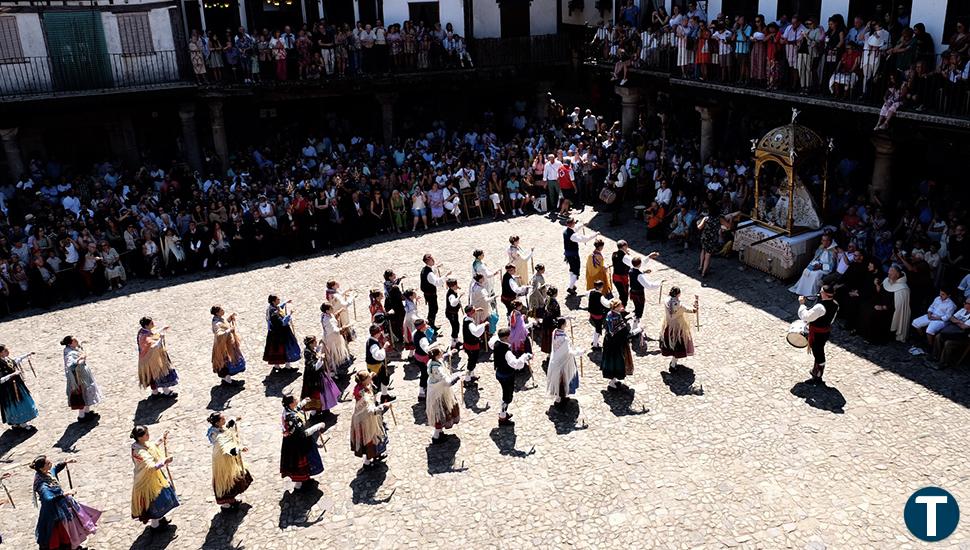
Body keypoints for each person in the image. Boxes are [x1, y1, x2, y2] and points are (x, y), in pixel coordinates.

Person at [31, 455, 101, 549]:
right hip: (56, 514)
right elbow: (48, 499)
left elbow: (55, 469)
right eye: (48, 463)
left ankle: (76, 546)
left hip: (65, 507)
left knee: (75, 525)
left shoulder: (47, 474)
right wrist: (65, 494)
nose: (50, 463)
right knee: (66, 532)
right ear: (42, 468)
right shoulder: (42, 485)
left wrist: (65, 462)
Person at [129, 425, 179, 530]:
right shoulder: (140, 452)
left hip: (154, 479)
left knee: (160, 499)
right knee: (155, 502)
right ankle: (155, 526)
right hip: (147, 482)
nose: (149, 435)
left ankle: (160, 520)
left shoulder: (141, 444)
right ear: (140, 437)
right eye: (146, 434)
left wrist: (162, 438)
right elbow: (151, 467)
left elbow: (152, 446)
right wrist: (165, 461)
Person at [206, 413, 253, 510]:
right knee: (224, 479)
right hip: (222, 459)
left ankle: (231, 498)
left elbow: (227, 426)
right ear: (218, 422)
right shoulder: (215, 434)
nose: (225, 420)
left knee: (234, 476)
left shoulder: (219, 428)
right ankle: (225, 503)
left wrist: (234, 419)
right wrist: (239, 449)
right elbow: (225, 446)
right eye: (223, 419)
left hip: (228, 457)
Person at [279, 395, 325, 490]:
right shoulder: (291, 418)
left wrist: (303, 403)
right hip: (297, 445)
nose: (297, 400)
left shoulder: (288, 410)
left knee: (302, 464)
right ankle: (299, 486)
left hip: (294, 442)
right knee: (298, 465)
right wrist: (317, 427)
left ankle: (305, 479)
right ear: (291, 403)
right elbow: (303, 434)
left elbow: (296, 410)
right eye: (295, 399)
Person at [490, 327, 533, 427]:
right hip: (506, 375)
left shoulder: (496, 342)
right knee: (507, 397)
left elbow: (491, 341)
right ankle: (502, 417)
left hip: (500, 373)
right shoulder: (507, 352)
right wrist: (525, 356)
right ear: (505, 337)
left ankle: (503, 413)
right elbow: (516, 364)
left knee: (506, 394)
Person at [797, 284, 839, 383]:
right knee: (819, 351)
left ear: (824, 294)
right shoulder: (835, 304)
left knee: (818, 353)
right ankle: (816, 372)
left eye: (821, 291)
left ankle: (817, 376)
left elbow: (805, 316)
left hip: (817, 334)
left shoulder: (820, 307)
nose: (819, 292)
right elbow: (831, 320)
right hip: (825, 332)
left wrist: (802, 304)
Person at [350, 370, 390, 467]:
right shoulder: (364, 395)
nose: (370, 379)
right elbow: (371, 410)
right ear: (364, 381)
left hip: (363, 418)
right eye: (368, 377)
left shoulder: (360, 387)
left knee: (374, 437)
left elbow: (368, 387)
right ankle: (367, 463)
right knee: (369, 440)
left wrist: (371, 376)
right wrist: (384, 406)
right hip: (366, 421)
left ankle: (377, 455)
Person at [61, 336, 102, 422]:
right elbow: (71, 365)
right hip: (79, 378)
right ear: (70, 343)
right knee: (82, 395)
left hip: (83, 375)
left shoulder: (71, 349)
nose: (77, 341)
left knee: (87, 393)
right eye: (75, 340)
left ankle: (87, 413)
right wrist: (81, 357)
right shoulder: (69, 354)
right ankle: (82, 416)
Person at [136, 317, 179, 398]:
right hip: (153, 360)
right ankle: (166, 392)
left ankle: (155, 392)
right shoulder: (145, 337)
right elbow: (153, 346)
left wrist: (162, 329)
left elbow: (152, 333)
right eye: (151, 323)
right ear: (146, 325)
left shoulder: (142, 331)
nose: (153, 324)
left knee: (152, 376)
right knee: (161, 373)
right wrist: (161, 339)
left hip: (145, 360)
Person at [426, 347, 461, 443]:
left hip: (436, 391)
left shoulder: (431, 362)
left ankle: (439, 433)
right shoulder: (438, 369)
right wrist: (458, 376)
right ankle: (436, 436)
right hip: (439, 394)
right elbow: (448, 382)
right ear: (437, 355)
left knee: (441, 413)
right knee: (440, 415)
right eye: (441, 352)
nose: (443, 353)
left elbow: (441, 359)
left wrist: (449, 353)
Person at [0, 344, 38, 430]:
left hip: (16, 385)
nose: (8, 351)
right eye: (5, 350)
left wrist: (27, 355)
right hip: (8, 390)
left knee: (21, 402)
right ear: (0, 353)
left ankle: (18, 423)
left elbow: (15, 361)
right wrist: (13, 374)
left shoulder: (6, 359)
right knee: (16, 404)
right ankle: (21, 423)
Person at [659, 287, 697, 371]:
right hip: (678, 329)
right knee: (678, 347)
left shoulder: (666, 301)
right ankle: (673, 365)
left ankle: (673, 363)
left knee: (670, 345)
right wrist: (695, 308)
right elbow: (691, 310)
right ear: (678, 294)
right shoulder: (680, 305)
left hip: (668, 326)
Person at [301, 335, 341, 414]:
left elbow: (316, 351)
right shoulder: (308, 353)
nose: (316, 343)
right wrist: (321, 358)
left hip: (319, 375)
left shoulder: (311, 349)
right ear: (310, 344)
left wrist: (320, 344)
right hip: (313, 378)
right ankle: (316, 411)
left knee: (324, 391)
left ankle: (325, 407)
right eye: (314, 342)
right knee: (316, 394)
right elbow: (314, 367)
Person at [911, 288, 957, 355]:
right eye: (940, 293)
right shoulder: (937, 298)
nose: (941, 295)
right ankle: (923, 338)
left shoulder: (951, 305)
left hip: (940, 320)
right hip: (932, 316)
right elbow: (931, 307)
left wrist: (937, 318)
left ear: (948, 295)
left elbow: (947, 317)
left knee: (929, 330)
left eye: (943, 294)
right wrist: (929, 314)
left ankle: (930, 345)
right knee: (915, 322)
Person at [547, 317, 580, 405]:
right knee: (564, 379)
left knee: (557, 379)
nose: (566, 324)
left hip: (556, 360)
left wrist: (566, 318)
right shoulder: (563, 338)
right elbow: (569, 352)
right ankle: (561, 397)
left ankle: (559, 397)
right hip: (564, 361)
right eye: (565, 323)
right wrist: (579, 352)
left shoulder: (555, 332)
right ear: (562, 325)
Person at [601, 299, 633, 389]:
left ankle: (614, 380)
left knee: (613, 361)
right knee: (616, 362)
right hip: (615, 344)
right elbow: (622, 331)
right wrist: (636, 330)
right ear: (615, 307)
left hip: (609, 341)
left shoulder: (610, 314)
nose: (621, 306)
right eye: (620, 305)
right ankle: (612, 382)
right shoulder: (616, 317)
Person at [263, 295, 301, 370]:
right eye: (278, 299)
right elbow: (282, 323)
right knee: (285, 348)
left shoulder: (271, 307)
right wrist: (289, 314)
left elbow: (279, 307)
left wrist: (285, 302)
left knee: (276, 349)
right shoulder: (273, 313)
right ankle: (287, 366)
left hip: (274, 333)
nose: (279, 300)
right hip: (281, 333)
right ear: (274, 301)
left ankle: (277, 365)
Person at [211, 306, 246, 385]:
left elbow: (224, 324)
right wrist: (229, 330)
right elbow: (219, 334)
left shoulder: (219, 319)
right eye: (221, 310)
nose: (223, 311)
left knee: (227, 362)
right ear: (217, 313)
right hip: (223, 347)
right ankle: (227, 381)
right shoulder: (217, 323)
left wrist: (230, 319)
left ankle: (226, 379)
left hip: (227, 345)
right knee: (225, 362)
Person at [563, 218, 599, 294]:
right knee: (576, 271)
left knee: (572, 269)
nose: (575, 224)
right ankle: (570, 287)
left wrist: (582, 225)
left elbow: (575, 228)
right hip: (573, 255)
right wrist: (595, 234)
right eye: (574, 223)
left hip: (568, 253)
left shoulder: (565, 230)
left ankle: (572, 285)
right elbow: (585, 239)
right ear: (571, 224)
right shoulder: (573, 235)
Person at [628, 255, 663, 331]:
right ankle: (635, 326)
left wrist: (644, 272)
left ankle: (636, 322)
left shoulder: (630, 270)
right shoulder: (639, 275)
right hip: (639, 294)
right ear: (639, 264)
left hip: (633, 292)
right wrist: (659, 283)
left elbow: (635, 273)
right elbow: (649, 286)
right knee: (640, 309)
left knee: (637, 307)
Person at [364, 323, 396, 403]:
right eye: (380, 332)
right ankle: (374, 402)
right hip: (375, 367)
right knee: (375, 384)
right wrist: (384, 347)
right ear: (377, 333)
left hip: (377, 365)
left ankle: (384, 396)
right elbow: (378, 356)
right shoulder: (373, 344)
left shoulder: (372, 340)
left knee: (385, 377)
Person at [320, 302, 353, 375]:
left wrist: (339, 312)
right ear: (327, 311)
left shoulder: (325, 315)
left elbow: (333, 317)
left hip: (330, 336)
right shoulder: (328, 321)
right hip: (333, 338)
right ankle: (336, 369)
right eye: (331, 308)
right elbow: (335, 330)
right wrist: (344, 327)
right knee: (335, 353)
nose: (333, 309)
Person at [883, 264, 912, 343]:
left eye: (891, 273)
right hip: (884, 306)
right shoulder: (886, 281)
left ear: (897, 274)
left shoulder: (903, 288)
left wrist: (886, 307)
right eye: (888, 272)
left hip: (893, 310)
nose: (888, 274)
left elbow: (899, 306)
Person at [461, 305, 487, 387]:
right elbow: (476, 332)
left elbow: (468, 314)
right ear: (470, 313)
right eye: (473, 310)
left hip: (468, 344)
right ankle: (467, 380)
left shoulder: (466, 318)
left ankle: (471, 376)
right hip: (471, 345)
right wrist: (484, 325)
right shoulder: (470, 324)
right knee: (472, 362)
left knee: (472, 361)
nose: (475, 311)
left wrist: (476, 310)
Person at [587, 280, 612, 350]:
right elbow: (607, 305)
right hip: (598, 315)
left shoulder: (590, 292)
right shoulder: (600, 296)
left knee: (596, 328)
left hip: (592, 314)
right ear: (601, 287)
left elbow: (586, 293)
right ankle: (595, 345)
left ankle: (594, 341)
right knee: (598, 329)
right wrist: (612, 301)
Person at [413, 318, 432, 400]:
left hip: (417, 356)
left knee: (424, 374)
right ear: (421, 327)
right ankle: (421, 393)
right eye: (425, 325)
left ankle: (424, 389)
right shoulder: (422, 339)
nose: (427, 326)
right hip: (423, 358)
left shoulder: (415, 333)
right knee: (425, 374)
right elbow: (427, 350)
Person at [444, 278, 462, 345]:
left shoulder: (452, 290)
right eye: (455, 285)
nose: (457, 286)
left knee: (457, 326)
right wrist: (459, 297)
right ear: (452, 286)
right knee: (455, 328)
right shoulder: (451, 295)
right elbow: (453, 303)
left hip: (453, 313)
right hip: (451, 314)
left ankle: (456, 341)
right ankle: (453, 344)